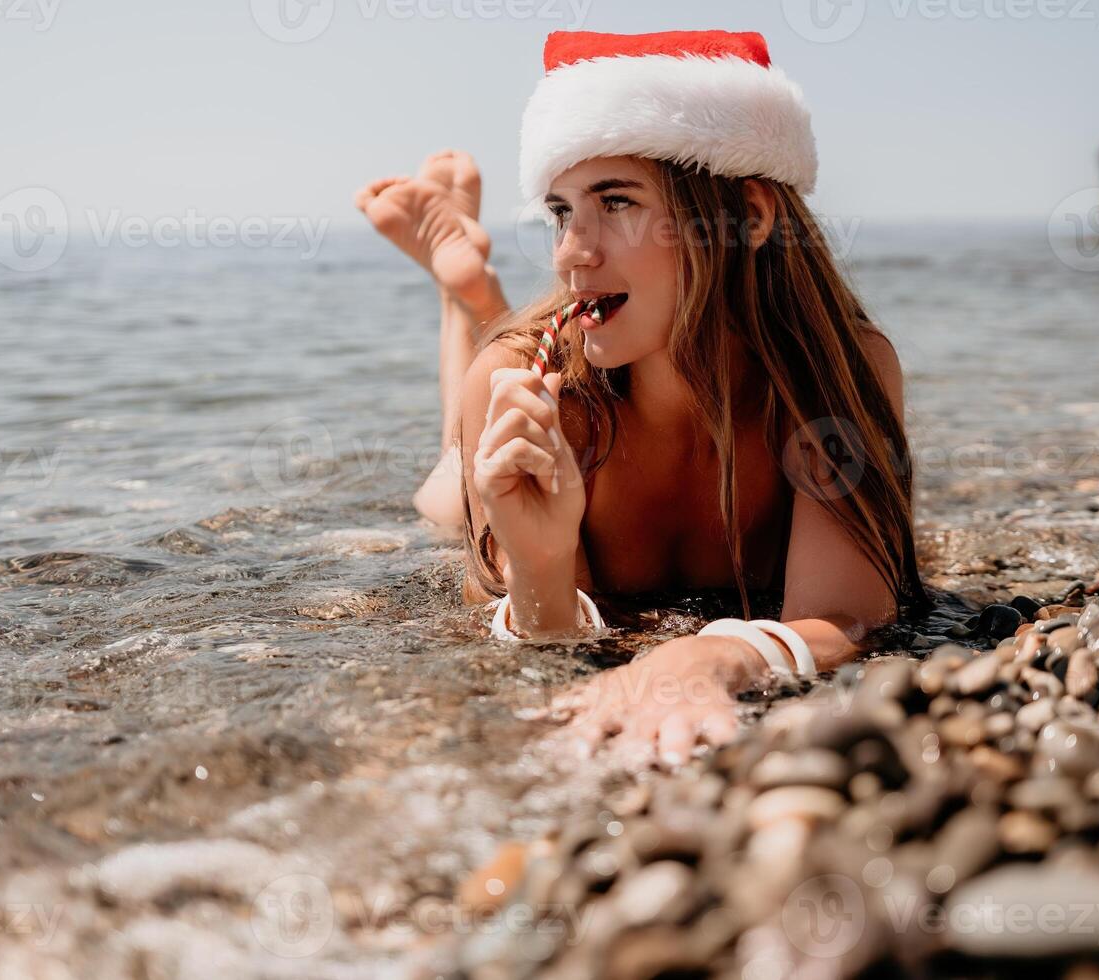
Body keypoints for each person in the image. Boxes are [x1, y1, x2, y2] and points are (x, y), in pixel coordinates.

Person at [356, 29, 928, 768]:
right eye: (561, 213)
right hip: (515, 370)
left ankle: (471, 295)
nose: (570, 252)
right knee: (442, 493)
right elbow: (543, 638)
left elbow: (849, 614)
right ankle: (464, 298)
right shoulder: (535, 380)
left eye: (616, 202)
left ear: (748, 217)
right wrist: (539, 564)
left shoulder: (835, 375)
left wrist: (705, 658)